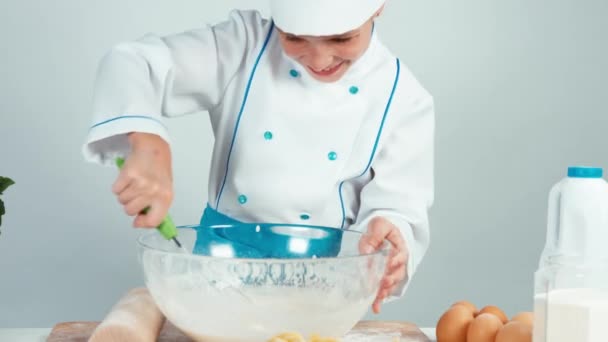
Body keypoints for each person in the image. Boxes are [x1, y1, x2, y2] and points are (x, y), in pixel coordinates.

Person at [82, 0, 435, 314]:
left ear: (379, 7)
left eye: (341, 38)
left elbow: (398, 207)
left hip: (324, 292)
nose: (319, 59)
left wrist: (390, 235)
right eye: (294, 37)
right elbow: (130, 62)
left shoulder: (404, 98)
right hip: (216, 279)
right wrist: (148, 143)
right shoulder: (245, 45)